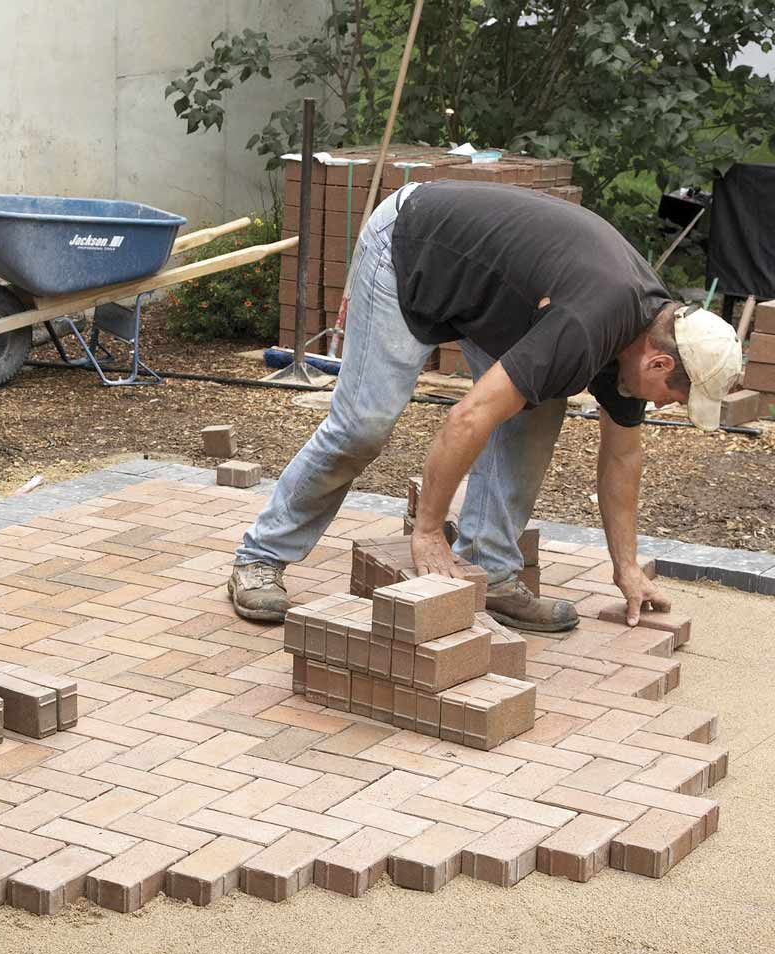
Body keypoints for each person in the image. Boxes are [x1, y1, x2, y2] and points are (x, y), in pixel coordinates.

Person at [228, 179, 743, 632]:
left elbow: (623, 457)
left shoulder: (645, 329)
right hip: (410, 250)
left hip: (488, 289)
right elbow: (467, 417)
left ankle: (491, 570)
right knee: (364, 424)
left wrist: (626, 568)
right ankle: (261, 555)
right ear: (658, 365)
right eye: (678, 397)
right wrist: (428, 531)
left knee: (538, 407)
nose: (669, 407)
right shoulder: (589, 324)